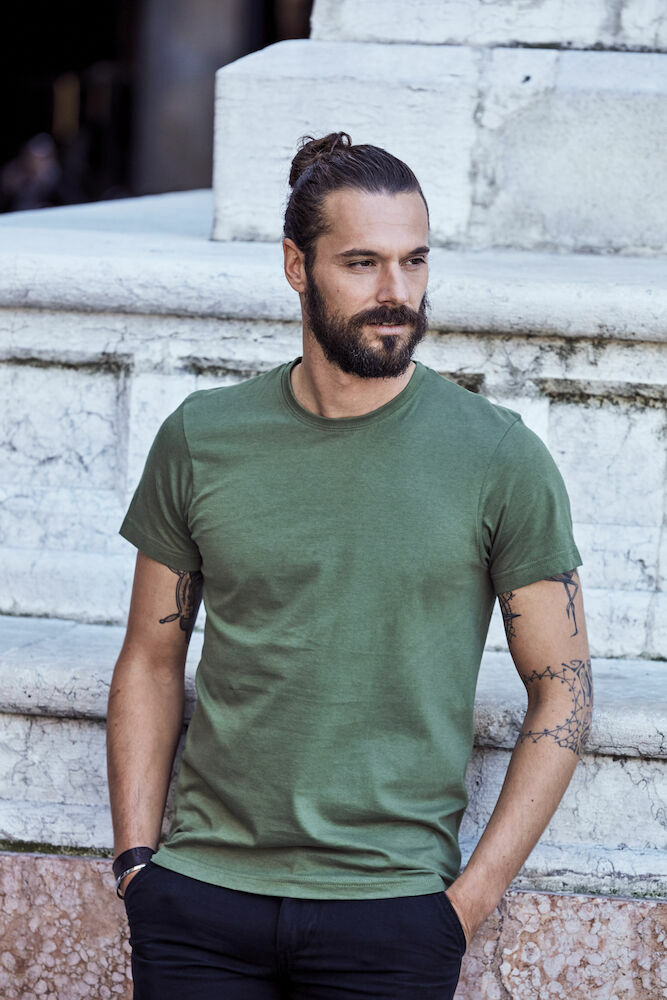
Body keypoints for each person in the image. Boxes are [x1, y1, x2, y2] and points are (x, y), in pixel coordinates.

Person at [107, 132, 592, 999]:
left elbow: (563, 691)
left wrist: (465, 905)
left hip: (392, 913)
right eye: (362, 263)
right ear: (296, 265)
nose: (395, 292)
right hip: (199, 904)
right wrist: (137, 865)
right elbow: (149, 656)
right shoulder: (202, 437)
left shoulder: (497, 457)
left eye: (414, 261)